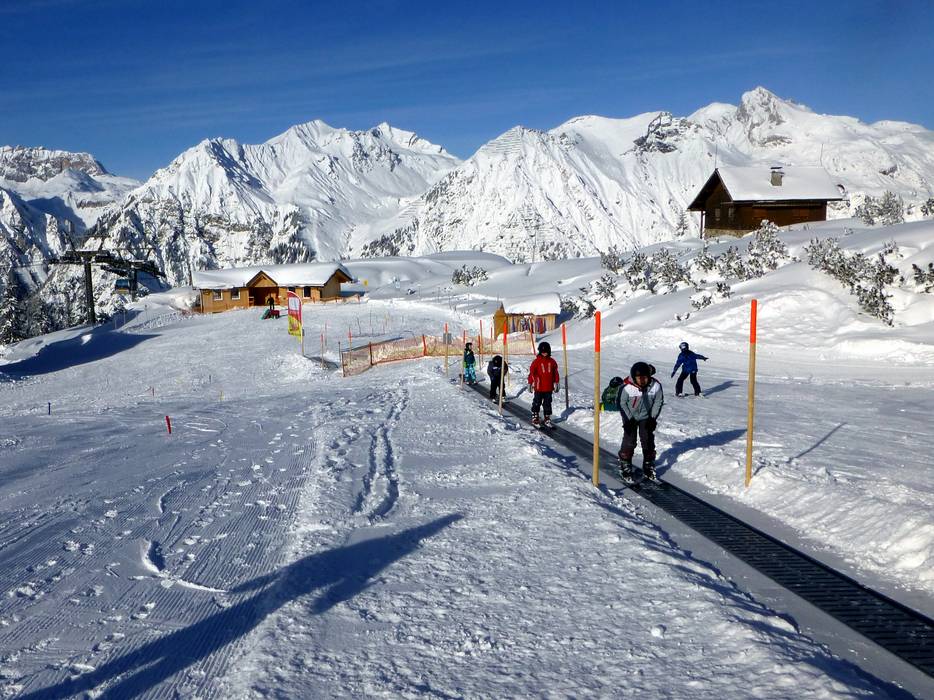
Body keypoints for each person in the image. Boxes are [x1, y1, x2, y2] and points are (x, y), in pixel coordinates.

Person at [618, 361, 664, 481]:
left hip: (646, 417)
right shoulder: (627, 387)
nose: (642, 380)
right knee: (630, 440)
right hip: (630, 417)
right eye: (639, 378)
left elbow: (658, 401)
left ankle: (648, 464)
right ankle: (625, 464)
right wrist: (628, 419)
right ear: (634, 378)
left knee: (647, 439)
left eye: (645, 377)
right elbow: (622, 403)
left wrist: (652, 418)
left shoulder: (655, 386)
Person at [527, 341, 560, 428]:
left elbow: (555, 373)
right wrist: (530, 383)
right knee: (537, 402)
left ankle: (547, 418)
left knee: (547, 403)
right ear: (540, 352)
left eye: (546, 352)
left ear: (549, 351)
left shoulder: (552, 362)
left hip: (548, 387)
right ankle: (535, 416)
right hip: (539, 387)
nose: (544, 353)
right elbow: (532, 373)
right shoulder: (536, 362)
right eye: (542, 352)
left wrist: (557, 382)